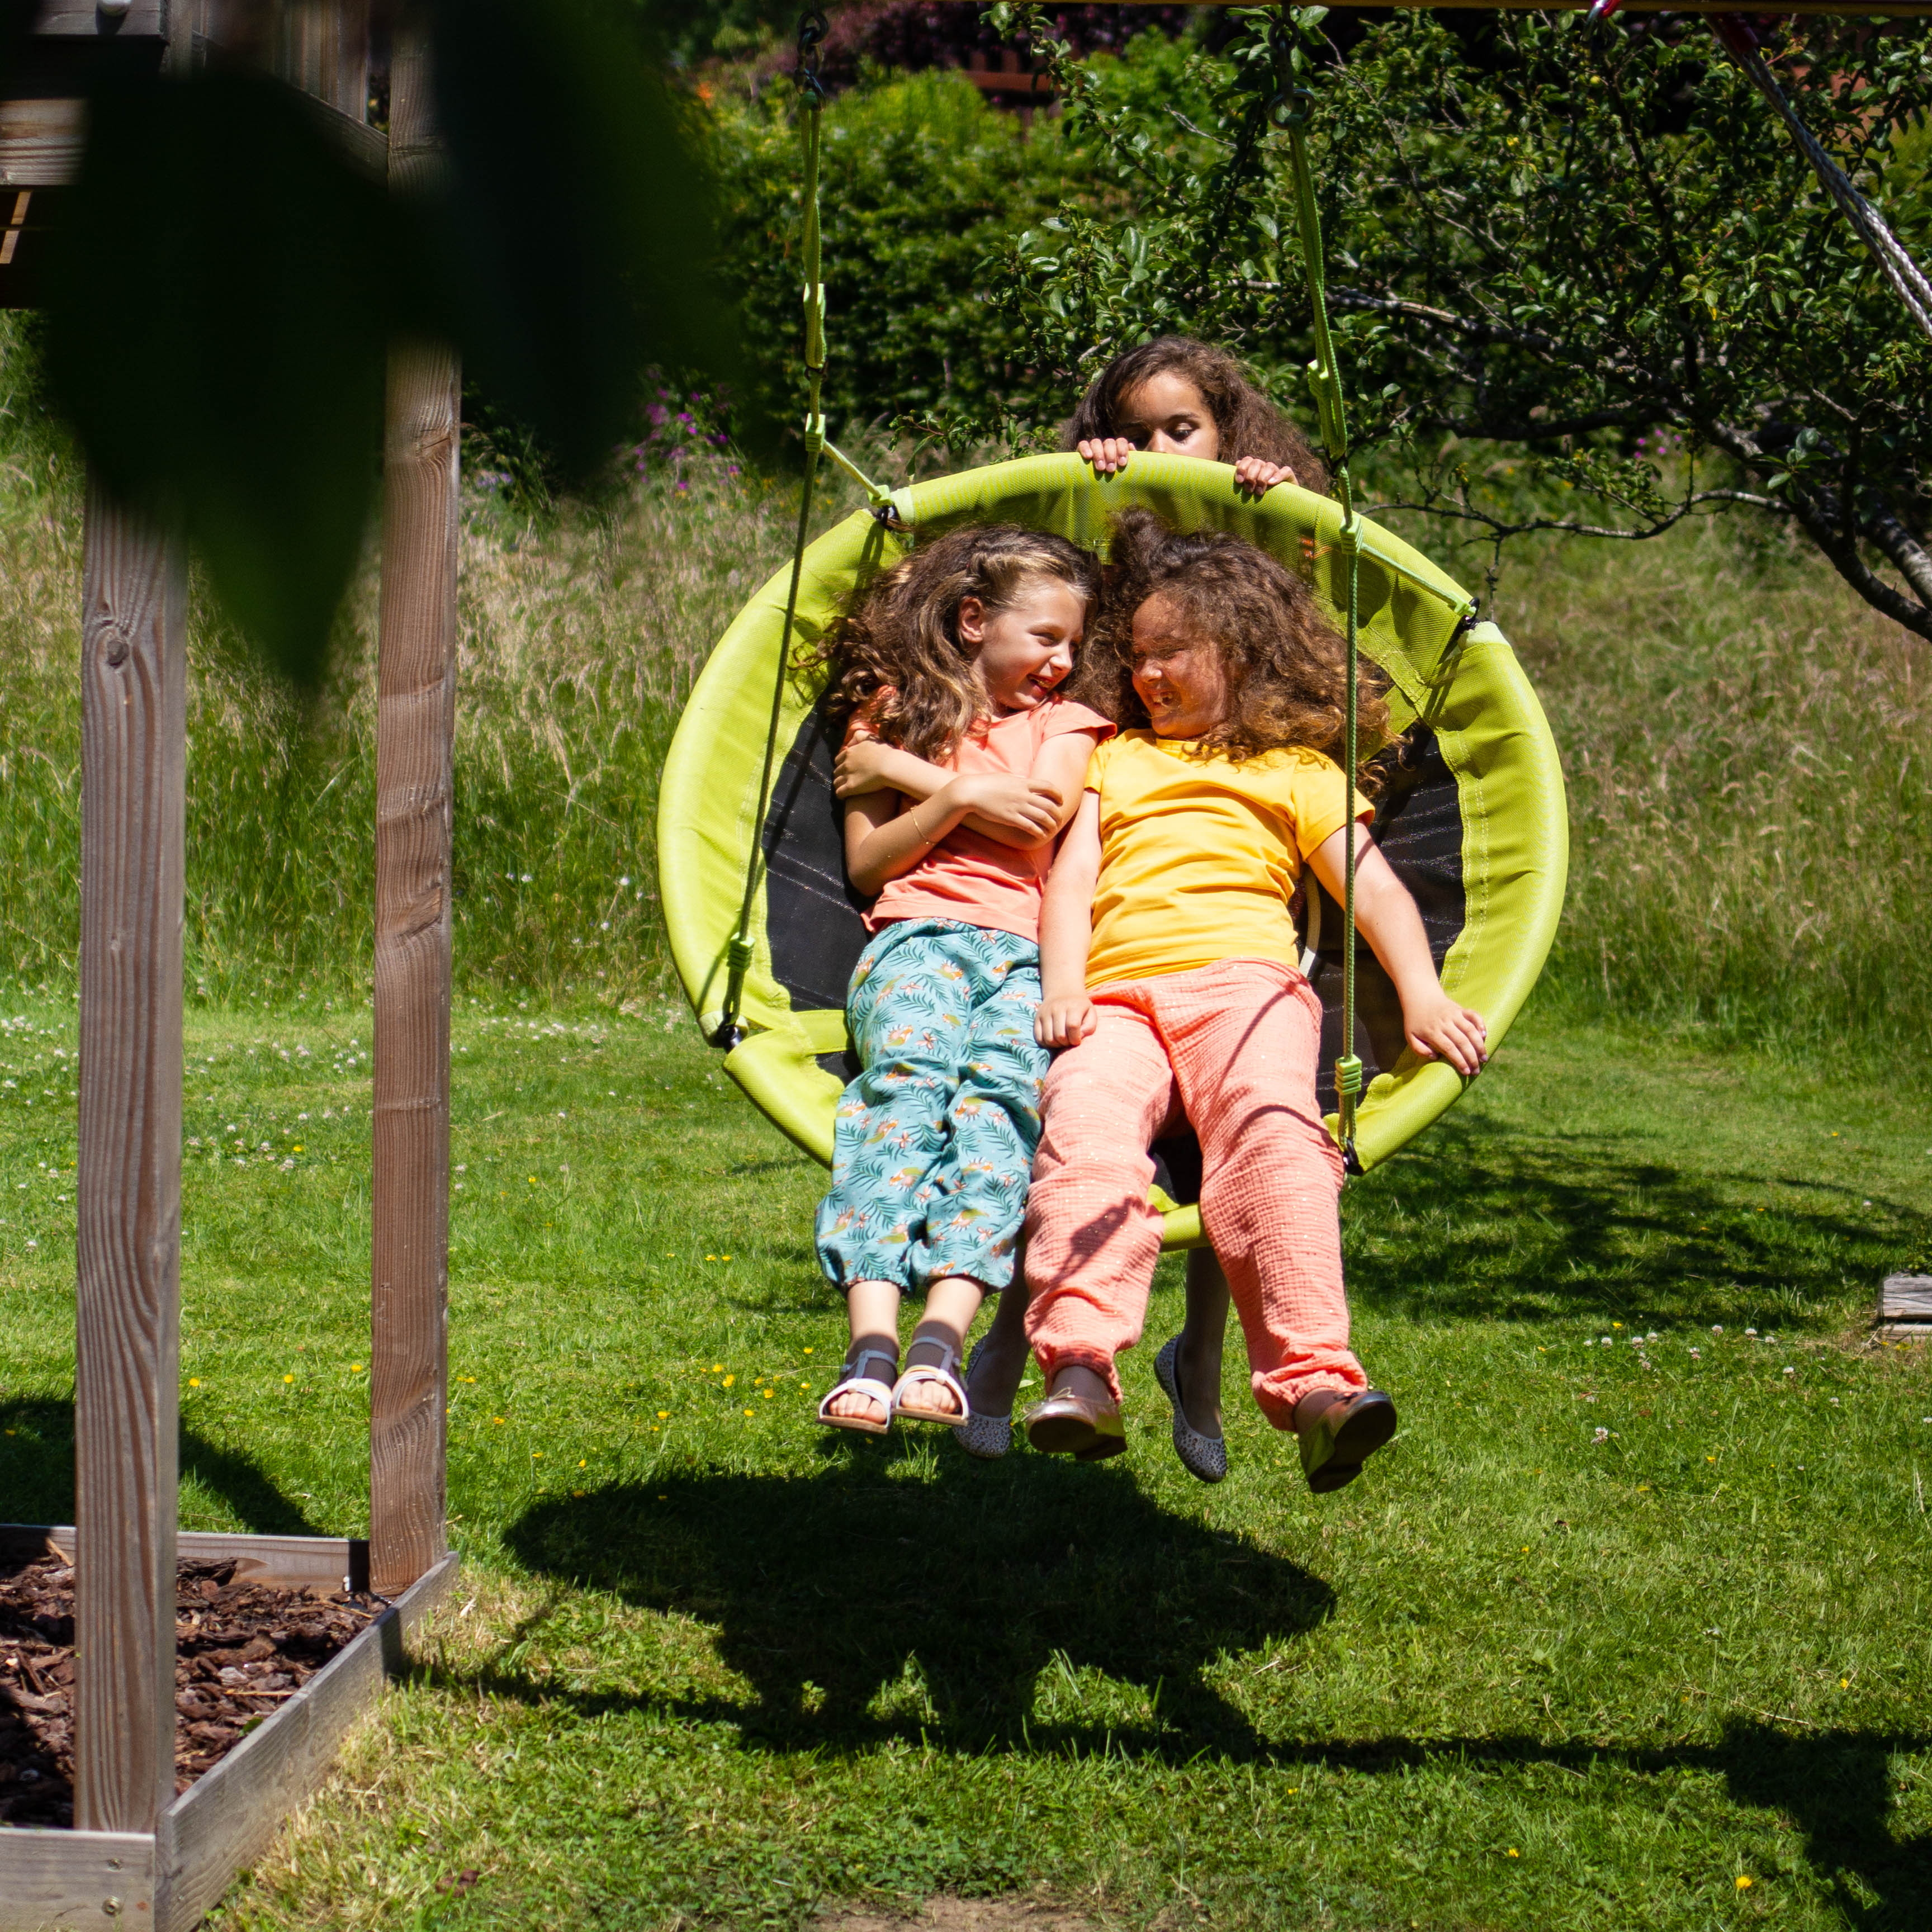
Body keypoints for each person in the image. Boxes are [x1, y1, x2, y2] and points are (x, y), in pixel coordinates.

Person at [1019, 511, 1488, 1493]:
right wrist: (1063, 982)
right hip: (1116, 999)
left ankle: (1317, 1387)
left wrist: (1423, 991)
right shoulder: (1118, 759)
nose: (1146, 676)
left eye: (1170, 654)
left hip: (1245, 989)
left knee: (1275, 1139)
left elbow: (1370, 888)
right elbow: (1072, 881)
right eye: (1137, 656)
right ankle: (1079, 1366)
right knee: (1085, 1134)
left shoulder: (1297, 772)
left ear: (1240, 652)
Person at [957, 337, 1328, 1472]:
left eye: (1187, 432)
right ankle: (1038, 1369)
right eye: (1143, 428)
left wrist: (1288, 500)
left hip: (1235, 944)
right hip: (1130, 929)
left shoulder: (1266, 528)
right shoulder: (1116, 540)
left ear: (1232, 438)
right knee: (1084, 1134)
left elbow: (1321, 583)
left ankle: (1205, 1372)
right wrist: (1094, 476)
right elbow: (1045, 582)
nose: (1167, 451)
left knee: (1244, 1153)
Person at [812, 524, 1113, 1436]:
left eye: (1074, 643)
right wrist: (954, 794)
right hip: (915, 940)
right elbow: (869, 868)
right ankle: (869, 1349)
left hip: (1022, 954)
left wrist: (916, 780)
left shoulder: (1064, 726)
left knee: (1001, 1110)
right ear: (974, 620)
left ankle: (940, 1342)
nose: (1064, 661)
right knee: (902, 1095)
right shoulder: (893, 710)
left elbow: (1038, 823)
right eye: (1046, 638)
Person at [1063, 335, 1329, 498]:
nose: (1159, 451)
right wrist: (1090, 480)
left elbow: (1314, 576)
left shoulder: (1247, 507)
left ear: (1225, 433)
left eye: (1180, 433)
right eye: (1136, 438)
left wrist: (1288, 502)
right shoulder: (1106, 509)